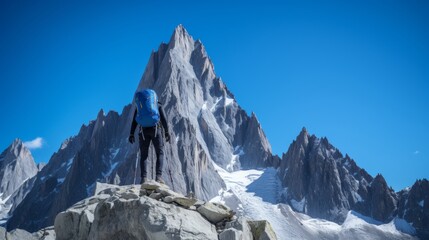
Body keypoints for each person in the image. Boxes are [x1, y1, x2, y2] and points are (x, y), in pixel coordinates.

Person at [128, 90, 170, 184]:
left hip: (143, 131)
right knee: (160, 153)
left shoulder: (139, 107)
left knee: (144, 155)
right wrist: (167, 132)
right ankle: (158, 177)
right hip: (156, 130)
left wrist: (131, 134)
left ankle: (144, 178)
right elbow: (164, 119)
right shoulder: (158, 105)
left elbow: (134, 121)